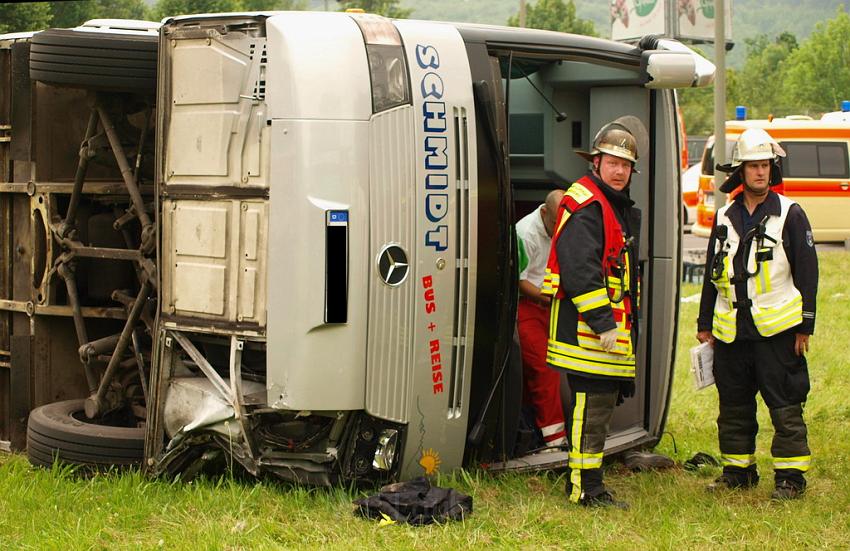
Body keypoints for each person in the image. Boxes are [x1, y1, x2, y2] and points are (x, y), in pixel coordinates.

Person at [697, 128, 818, 500]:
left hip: (778, 331)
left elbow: (807, 270)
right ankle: (738, 470)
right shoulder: (723, 215)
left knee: (784, 403)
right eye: (754, 166)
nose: (761, 172)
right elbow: (710, 272)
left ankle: (791, 478)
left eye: (766, 165)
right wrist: (704, 324)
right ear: (741, 171)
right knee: (733, 403)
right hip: (732, 331)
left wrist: (806, 326)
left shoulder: (789, 214)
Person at [541, 121, 642, 508]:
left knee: (597, 407)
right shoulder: (586, 203)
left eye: (625, 165)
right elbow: (579, 269)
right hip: (590, 331)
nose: (619, 171)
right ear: (596, 162)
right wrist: (604, 324)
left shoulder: (606, 201)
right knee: (591, 407)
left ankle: (588, 482)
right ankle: (586, 489)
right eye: (612, 162)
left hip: (600, 331)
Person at [516, 189, 567, 450]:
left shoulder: (561, 223)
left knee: (536, 374)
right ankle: (555, 441)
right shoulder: (526, 234)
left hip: (549, 303)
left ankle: (529, 431)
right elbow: (520, 281)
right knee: (545, 369)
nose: (561, 229)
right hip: (527, 307)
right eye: (556, 222)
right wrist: (550, 299)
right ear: (544, 213)